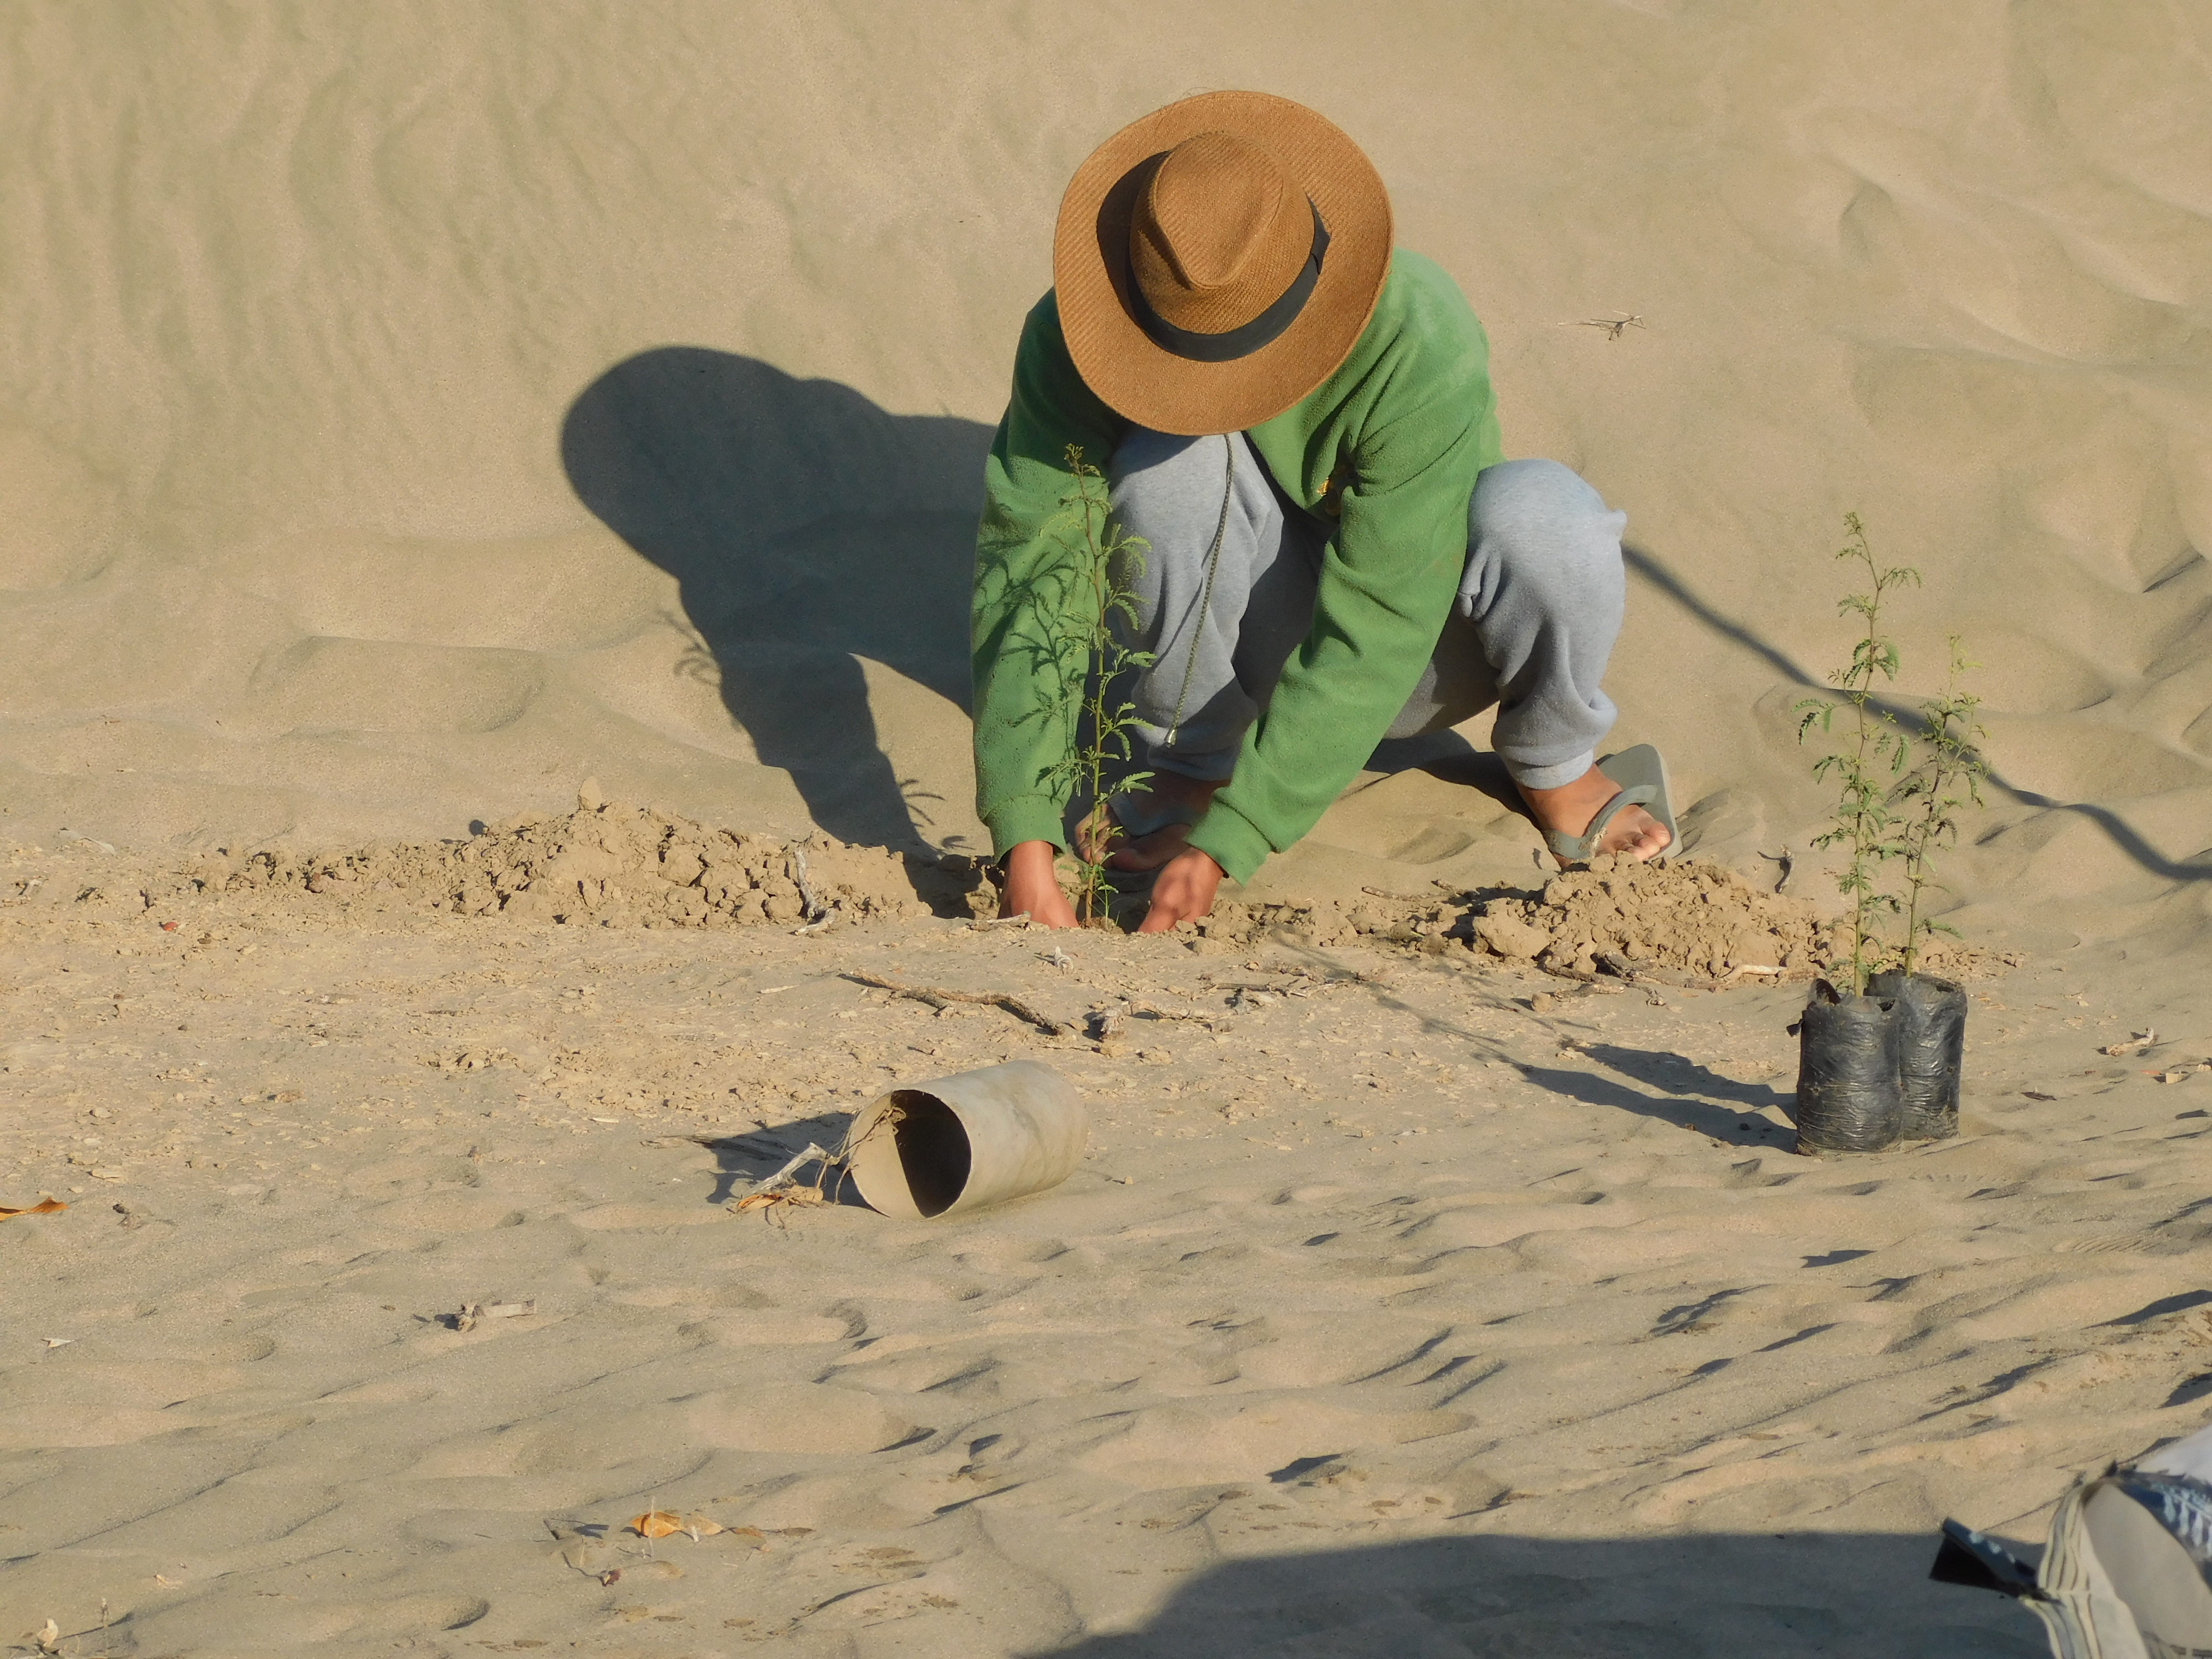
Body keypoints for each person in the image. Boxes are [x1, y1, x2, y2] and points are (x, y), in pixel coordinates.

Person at [971, 91, 1673, 933]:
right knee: (1171, 465)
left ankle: (1553, 760)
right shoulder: (1076, 333)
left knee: (1544, 514)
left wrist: (1235, 840)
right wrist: (1023, 829)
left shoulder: (1417, 330)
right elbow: (1033, 561)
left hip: (1417, 650)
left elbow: (1385, 612)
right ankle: (1191, 762)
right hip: (1216, 653)